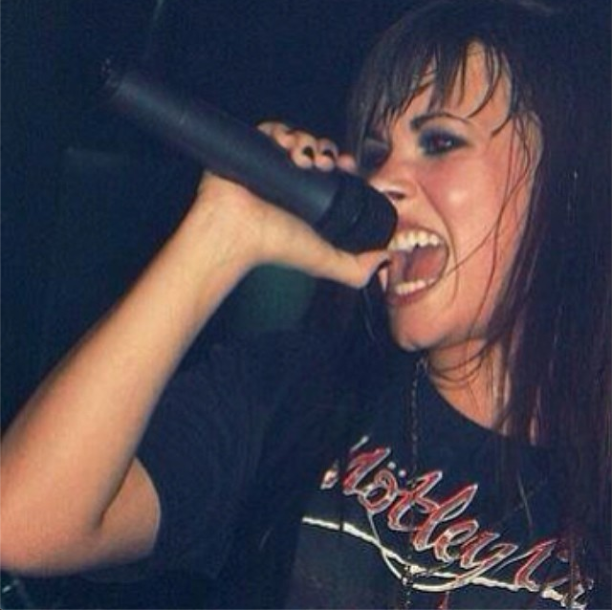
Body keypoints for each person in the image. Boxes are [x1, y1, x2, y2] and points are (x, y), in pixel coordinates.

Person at [1, 0, 609, 608]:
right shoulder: (294, 393)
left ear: (563, 176)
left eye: (440, 141)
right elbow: (21, 523)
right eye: (374, 154)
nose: (382, 181)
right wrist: (221, 234)